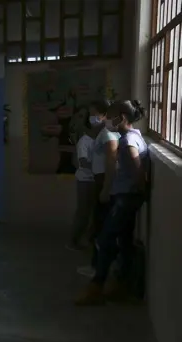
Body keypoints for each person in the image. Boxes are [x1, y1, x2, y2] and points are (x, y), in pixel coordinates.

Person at [76, 100, 149, 305]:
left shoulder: (128, 141)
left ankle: (96, 287)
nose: (107, 119)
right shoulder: (135, 136)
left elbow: (136, 168)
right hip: (127, 197)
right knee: (124, 241)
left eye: (110, 115)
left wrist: (138, 188)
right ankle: (121, 286)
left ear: (122, 118)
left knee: (106, 239)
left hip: (125, 198)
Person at [76, 99, 118, 277]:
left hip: (102, 181)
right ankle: (97, 265)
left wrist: (105, 188)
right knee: (98, 224)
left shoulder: (108, 134)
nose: (92, 118)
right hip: (98, 179)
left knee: (100, 226)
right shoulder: (100, 134)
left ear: (104, 114)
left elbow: (111, 162)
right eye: (90, 114)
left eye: (94, 114)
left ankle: (98, 268)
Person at [67, 115, 96, 251]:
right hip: (85, 180)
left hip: (93, 179)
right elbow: (83, 162)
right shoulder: (85, 141)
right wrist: (101, 167)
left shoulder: (97, 140)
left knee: (90, 212)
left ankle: (86, 240)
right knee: (83, 212)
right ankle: (73, 241)